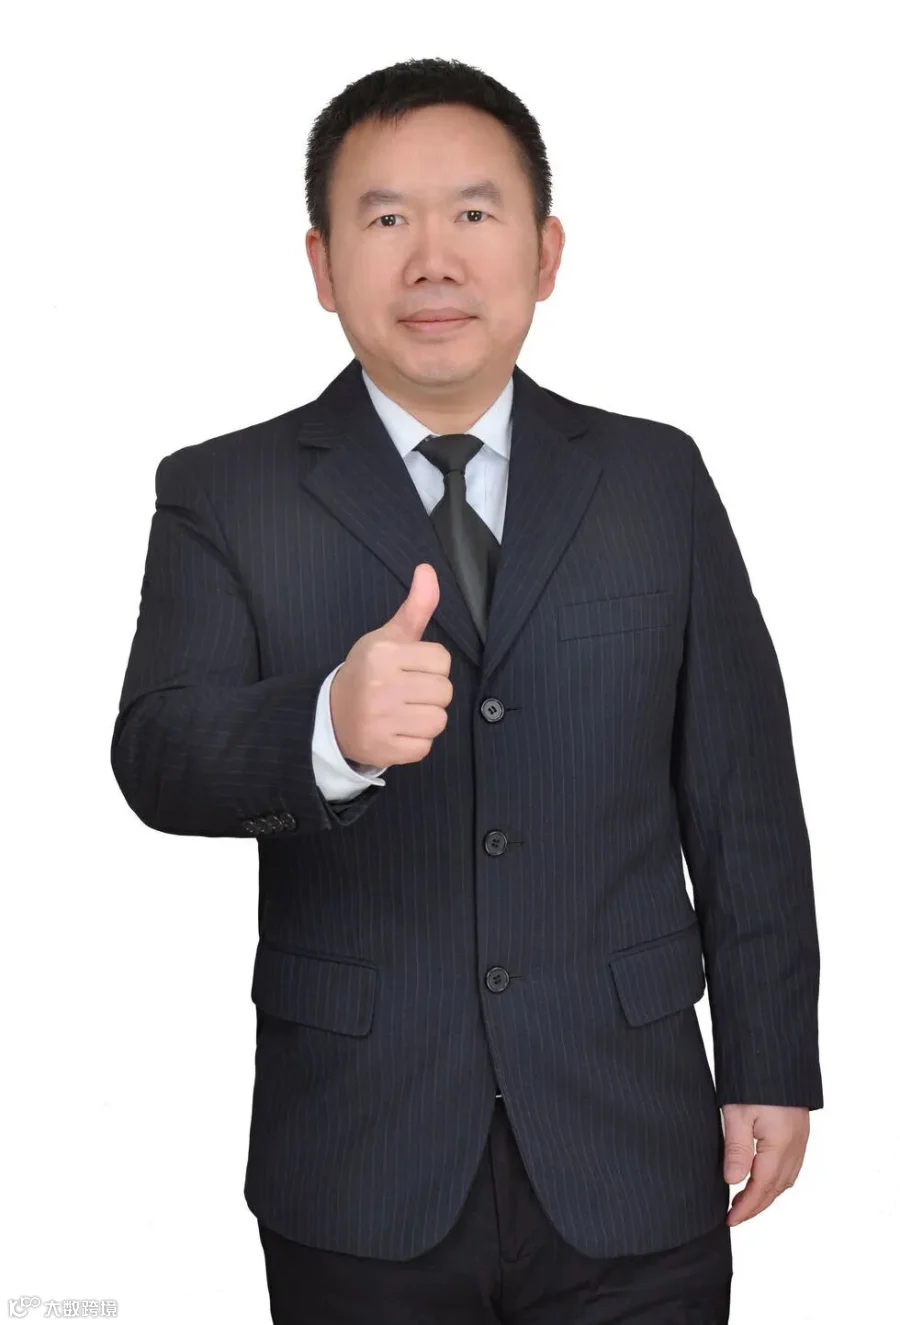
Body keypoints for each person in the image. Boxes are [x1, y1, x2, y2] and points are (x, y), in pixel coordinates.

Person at [110, 56, 823, 1325]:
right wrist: (325, 729)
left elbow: (744, 794)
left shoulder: (655, 480)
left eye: (474, 214)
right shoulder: (223, 491)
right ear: (323, 264)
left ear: (545, 253)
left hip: (633, 1136)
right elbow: (157, 752)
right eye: (385, 217)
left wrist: (770, 1057)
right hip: (361, 1154)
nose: (432, 259)